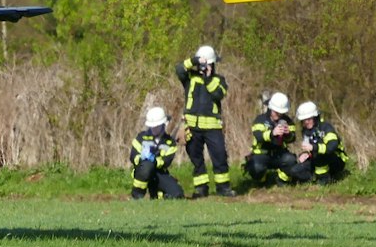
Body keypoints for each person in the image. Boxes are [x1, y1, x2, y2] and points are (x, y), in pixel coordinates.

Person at [172, 44, 235, 198]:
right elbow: (179, 69)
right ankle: (201, 188)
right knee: (196, 158)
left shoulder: (219, 80)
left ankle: (223, 187)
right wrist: (194, 60)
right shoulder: (190, 77)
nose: (205, 67)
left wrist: (207, 78)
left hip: (212, 127)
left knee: (220, 156)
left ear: (213, 64)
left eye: (208, 64)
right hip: (192, 126)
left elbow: (218, 94)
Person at [247, 91, 304, 185]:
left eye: (281, 113)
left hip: (279, 154)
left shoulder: (288, 121)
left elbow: (292, 138)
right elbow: (258, 136)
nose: (278, 115)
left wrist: (288, 134)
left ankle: (281, 180)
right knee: (256, 167)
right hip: (262, 154)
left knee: (291, 161)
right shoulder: (260, 120)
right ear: (271, 108)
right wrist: (272, 134)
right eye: (276, 112)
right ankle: (262, 180)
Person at [129, 107, 183, 200]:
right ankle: (137, 196)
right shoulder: (141, 138)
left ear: (163, 125)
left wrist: (155, 161)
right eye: (152, 126)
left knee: (177, 194)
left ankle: (158, 195)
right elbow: (133, 156)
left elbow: (166, 161)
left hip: (159, 173)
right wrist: (141, 158)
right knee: (147, 166)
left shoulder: (169, 142)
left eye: (156, 126)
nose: (154, 129)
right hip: (142, 171)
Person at [293, 100, 347, 185]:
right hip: (316, 157)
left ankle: (324, 180)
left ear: (315, 117)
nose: (306, 122)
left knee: (319, 156)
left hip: (336, 159)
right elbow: (309, 148)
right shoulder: (305, 131)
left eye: (309, 119)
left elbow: (332, 146)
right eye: (304, 120)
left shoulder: (325, 127)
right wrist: (305, 154)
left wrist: (314, 148)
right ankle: (314, 177)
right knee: (296, 170)